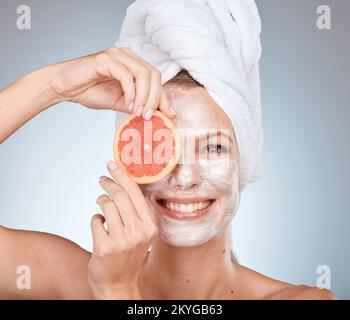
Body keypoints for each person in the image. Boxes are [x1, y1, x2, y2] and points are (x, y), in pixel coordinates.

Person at [0, 48, 336, 299]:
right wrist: (54, 85)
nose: (185, 176)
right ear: (130, 164)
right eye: (161, 148)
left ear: (244, 166)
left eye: (214, 148)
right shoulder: (67, 280)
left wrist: (118, 291)